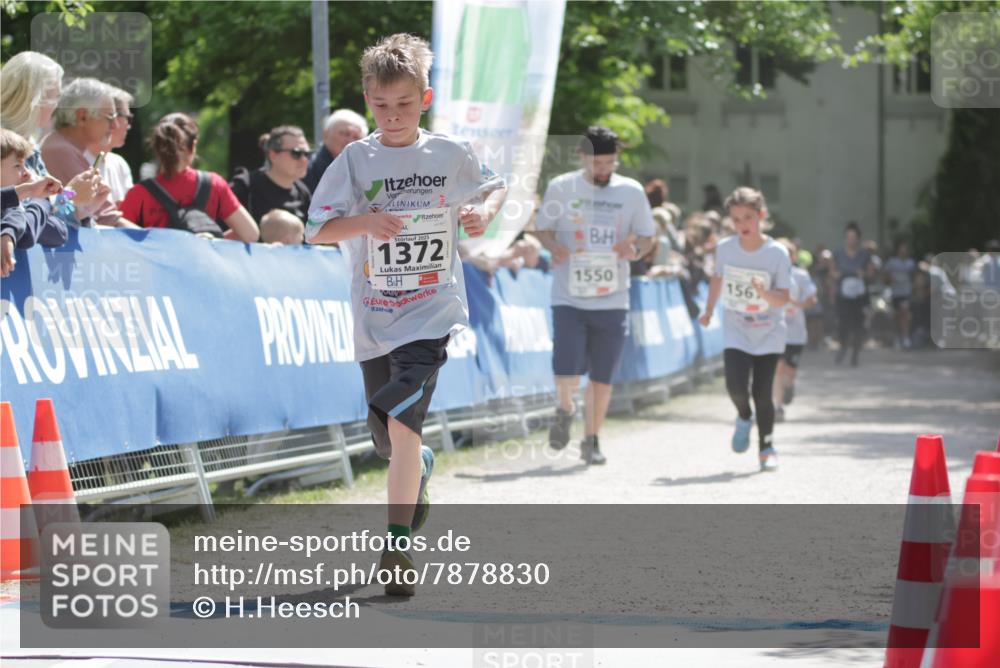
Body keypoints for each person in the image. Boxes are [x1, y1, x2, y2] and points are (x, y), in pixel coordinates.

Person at [305, 33, 506, 596]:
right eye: (381, 105)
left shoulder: (449, 153)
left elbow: (494, 187)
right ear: (367, 100)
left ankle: (396, 549)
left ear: (425, 99)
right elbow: (315, 229)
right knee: (389, 440)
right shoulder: (355, 159)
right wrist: (365, 223)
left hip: (430, 313)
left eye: (404, 104)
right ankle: (418, 467)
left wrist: (481, 213)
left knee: (400, 420)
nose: (392, 116)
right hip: (375, 316)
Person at [535, 125, 655, 465]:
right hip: (569, 296)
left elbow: (647, 237)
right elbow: (542, 229)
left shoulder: (631, 192)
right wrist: (554, 246)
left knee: (603, 375)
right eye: (596, 164)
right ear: (581, 157)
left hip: (613, 297)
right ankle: (565, 408)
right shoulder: (562, 187)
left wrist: (634, 248)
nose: (603, 170)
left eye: (609, 163)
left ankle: (592, 440)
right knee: (567, 368)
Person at [699, 187, 790, 471]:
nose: (742, 225)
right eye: (736, 219)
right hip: (736, 328)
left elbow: (783, 298)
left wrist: (764, 294)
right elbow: (717, 278)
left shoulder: (777, 253)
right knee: (735, 386)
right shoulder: (726, 248)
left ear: (761, 215)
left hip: (768, 332)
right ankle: (743, 416)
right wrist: (709, 310)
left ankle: (767, 448)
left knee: (762, 393)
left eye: (748, 217)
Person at [0, 51, 109, 228]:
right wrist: (71, 195)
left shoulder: (31, 147)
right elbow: (22, 217)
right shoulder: (5, 146)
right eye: (55, 96)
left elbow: (49, 216)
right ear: (34, 99)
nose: (57, 105)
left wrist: (83, 208)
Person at [120, 113, 259, 242]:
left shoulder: (139, 193)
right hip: (202, 260)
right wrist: (213, 241)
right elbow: (250, 234)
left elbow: (120, 238)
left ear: (156, 148)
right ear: (193, 146)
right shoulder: (214, 184)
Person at [39, 77, 136, 228]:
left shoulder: (62, 146)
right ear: (82, 116)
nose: (115, 125)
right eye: (110, 117)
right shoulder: (61, 151)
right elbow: (105, 217)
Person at [1, 129, 67, 276]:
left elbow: (59, 232)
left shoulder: (12, 208)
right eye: (18, 166)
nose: (27, 173)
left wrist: (34, 195)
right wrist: (38, 197)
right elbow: (27, 234)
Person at [229, 125, 312, 230]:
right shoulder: (245, 187)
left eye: (307, 154)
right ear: (273, 155)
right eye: (296, 153)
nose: (304, 160)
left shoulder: (303, 193)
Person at [772, 238, 817, 422]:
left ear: (793, 257)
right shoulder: (769, 275)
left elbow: (812, 299)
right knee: (778, 368)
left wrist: (797, 304)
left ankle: (789, 386)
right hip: (776, 332)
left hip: (796, 334)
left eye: (788, 254)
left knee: (790, 371)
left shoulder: (801, 276)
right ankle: (778, 407)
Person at [832, 222, 875, 366]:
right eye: (849, 237)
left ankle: (855, 353)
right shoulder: (838, 253)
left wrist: (864, 274)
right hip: (843, 295)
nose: (851, 240)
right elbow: (833, 272)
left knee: (859, 325)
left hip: (860, 295)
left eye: (854, 238)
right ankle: (843, 346)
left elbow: (871, 273)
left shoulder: (865, 255)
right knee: (843, 323)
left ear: (858, 239)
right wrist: (839, 275)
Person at [85, 86, 135, 205]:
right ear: (112, 115)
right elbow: (66, 199)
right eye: (128, 118)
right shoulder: (78, 158)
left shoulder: (119, 163)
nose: (129, 126)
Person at [303, 108, 368, 192]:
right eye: (345, 134)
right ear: (326, 134)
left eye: (356, 137)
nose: (350, 141)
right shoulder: (304, 168)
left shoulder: (369, 170)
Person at [884, 239, 916, 349]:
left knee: (905, 314)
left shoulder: (911, 263)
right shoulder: (892, 263)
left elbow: (915, 278)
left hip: (906, 293)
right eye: (901, 248)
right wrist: (890, 279)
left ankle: (906, 338)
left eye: (905, 249)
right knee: (896, 316)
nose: (903, 251)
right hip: (895, 293)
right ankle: (897, 337)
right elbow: (885, 278)